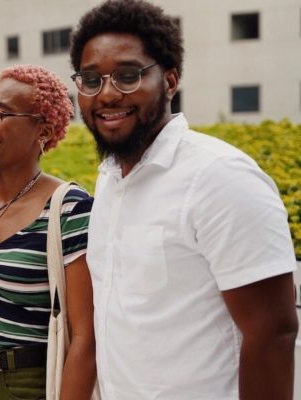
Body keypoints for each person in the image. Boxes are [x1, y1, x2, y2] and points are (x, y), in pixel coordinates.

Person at [69, 1, 298, 399]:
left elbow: (273, 333)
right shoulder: (110, 179)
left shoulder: (220, 177)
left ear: (171, 81)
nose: (106, 94)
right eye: (91, 80)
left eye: (127, 75)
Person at [0, 65, 97, 399]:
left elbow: (85, 335)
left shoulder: (69, 208)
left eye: (0, 114)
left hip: (24, 384)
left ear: (43, 129)